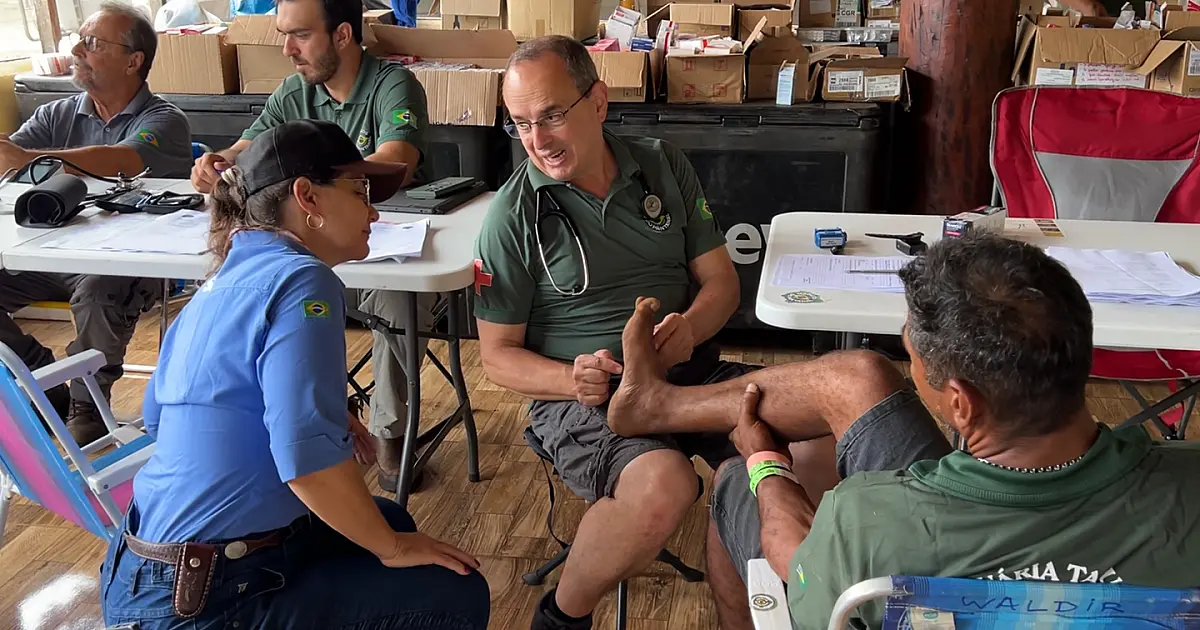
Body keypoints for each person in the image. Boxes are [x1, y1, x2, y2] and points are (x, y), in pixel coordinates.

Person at [600, 234, 1200, 630]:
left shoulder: (867, 520)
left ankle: (697, 434)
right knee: (863, 374)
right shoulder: (1188, 484)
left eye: (914, 355)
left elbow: (797, 559)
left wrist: (765, 466)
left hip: (883, 549)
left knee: (735, 479)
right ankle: (659, 405)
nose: (911, 362)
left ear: (960, 404)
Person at [102, 119, 489, 630]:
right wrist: (393, 550)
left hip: (141, 571)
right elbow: (308, 465)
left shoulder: (222, 278)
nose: (374, 211)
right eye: (360, 191)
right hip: (206, 601)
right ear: (306, 196)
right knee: (454, 591)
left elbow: (161, 417)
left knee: (390, 519)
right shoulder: (305, 281)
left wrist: (324, 413)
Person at [473, 35, 744, 630]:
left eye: (552, 116)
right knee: (662, 485)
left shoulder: (662, 164)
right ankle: (560, 618)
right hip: (589, 397)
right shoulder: (511, 216)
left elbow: (722, 284)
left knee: (796, 448)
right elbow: (496, 357)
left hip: (691, 371)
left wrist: (689, 330)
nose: (538, 142)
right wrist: (572, 378)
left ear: (598, 101)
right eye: (521, 124)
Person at [190, 0, 433, 492]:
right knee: (274, 293)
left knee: (397, 300)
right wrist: (219, 162)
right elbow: (247, 150)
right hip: (311, 242)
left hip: (386, 235)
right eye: (284, 34)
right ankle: (284, 423)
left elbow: (395, 161)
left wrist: (329, 182)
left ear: (342, 35)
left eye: (300, 34)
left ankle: (389, 430)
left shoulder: (393, 84)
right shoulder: (292, 91)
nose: (286, 49)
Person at [0, 1, 192, 445]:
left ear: (133, 60)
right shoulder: (57, 114)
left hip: (133, 258)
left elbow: (123, 160)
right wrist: (14, 156)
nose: (76, 50)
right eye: (78, 40)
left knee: (101, 286)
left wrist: (32, 158)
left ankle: (88, 399)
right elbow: (12, 161)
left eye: (92, 42)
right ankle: (41, 377)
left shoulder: (164, 120)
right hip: (51, 253)